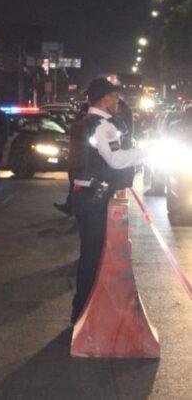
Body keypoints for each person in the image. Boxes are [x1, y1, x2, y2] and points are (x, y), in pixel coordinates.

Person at [69, 78, 146, 324]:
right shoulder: (103, 126)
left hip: (84, 195)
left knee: (89, 255)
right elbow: (115, 160)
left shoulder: (85, 122)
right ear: (104, 99)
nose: (117, 101)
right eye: (114, 96)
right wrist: (145, 153)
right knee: (93, 258)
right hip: (95, 199)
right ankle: (82, 314)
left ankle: (82, 311)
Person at [54, 102, 90, 215]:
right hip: (80, 161)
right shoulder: (85, 124)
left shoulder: (78, 124)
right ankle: (72, 207)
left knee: (75, 186)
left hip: (76, 161)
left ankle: (71, 207)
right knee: (77, 186)